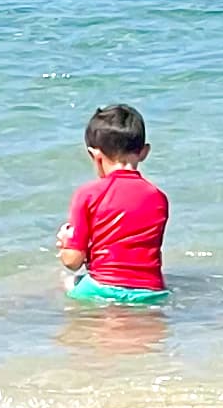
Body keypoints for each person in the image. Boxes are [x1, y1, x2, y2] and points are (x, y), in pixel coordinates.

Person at [56, 102, 170, 309]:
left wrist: (66, 243)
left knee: (68, 282)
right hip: (152, 292)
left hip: (103, 289)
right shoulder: (158, 197)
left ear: (95, 155)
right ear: (144, 152)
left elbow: (73, 261)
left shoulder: (88, 194)